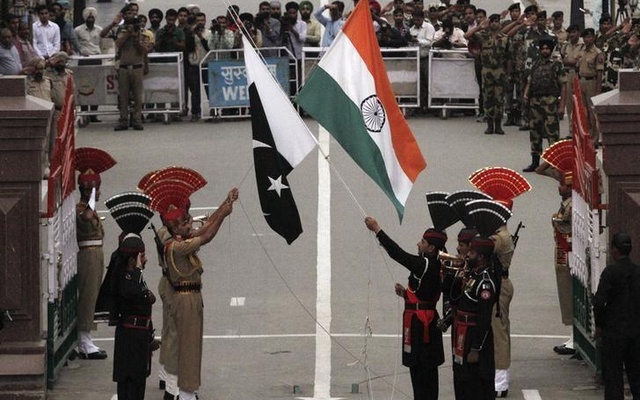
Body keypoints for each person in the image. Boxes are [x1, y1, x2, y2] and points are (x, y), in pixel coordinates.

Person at [154, 187, 238, 400]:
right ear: (174, 229)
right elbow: (207, 235)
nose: (189, 225)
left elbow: (201, 231)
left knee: (183, 343)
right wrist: (223, 214)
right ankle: (186, 392)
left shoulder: (178, 241)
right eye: (184, 224)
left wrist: (223, 206)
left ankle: (179, 389)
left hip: (187, 296)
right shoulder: (175, 247)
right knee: (189, 347)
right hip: (186, 298)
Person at [364, 217, 445, 400]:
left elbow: (397, 254)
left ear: (431, 248)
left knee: (423, 377)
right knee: (421, 375)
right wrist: (406, 295)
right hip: (422, 322)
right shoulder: (433, 264)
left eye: (423, 242)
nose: (418, 243)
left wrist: (377, 229)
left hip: (422, 328)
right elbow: (426, 294)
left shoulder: (425, 265)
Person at [75, 147, 117, 360]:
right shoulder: (81, 209)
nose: (99, 193)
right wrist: (91, 193)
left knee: (92, 297)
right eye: (96, 189)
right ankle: (84, 340)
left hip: (95, 255)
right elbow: (86, 218)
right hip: (88, 256)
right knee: (87, 297)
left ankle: (86, 337)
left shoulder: (86, 208)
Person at [593, 233, 640, 400]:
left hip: (614, 332)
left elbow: (599, 302)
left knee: (613, 376)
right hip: (635, 331)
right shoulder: (637, 272)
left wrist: (599, 324)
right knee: (636, 374)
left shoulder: (610, 272)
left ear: (614, 250)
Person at [452, 235, 499, 400]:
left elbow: (484, 319)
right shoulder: (472, 275)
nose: (467, 255)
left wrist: (475, 348)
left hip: (475, 338)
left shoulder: (485, 283)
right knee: (463, 381)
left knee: (477, 384)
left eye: (471, 253)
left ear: (480, 257)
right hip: (464, 335)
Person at [522, 35, 566, 172]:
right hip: (535, 102)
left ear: (551, 50)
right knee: (535, 132)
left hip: (550, 102)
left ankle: (555, 163)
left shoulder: (557, 64)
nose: (545, 51)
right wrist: (526, 95)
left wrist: (562, 106)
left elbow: (563, 85)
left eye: (547, 48)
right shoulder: (536, 64)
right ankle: (535, 161)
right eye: (543, 48)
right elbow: (530, 81)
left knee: (552, 133)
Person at [465, 14, 510, 135]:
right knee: (488, 97)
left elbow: (508, 58)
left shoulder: (505, 38)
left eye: (497, 21)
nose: (494, 24)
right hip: (487, 70)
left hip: (500, 70)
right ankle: (489, 125)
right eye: (492, 21)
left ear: (500, 23)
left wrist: (508, 73)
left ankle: (498, 125)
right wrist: (479, 27)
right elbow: (467, 35)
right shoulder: (483, 36)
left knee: (499, 98)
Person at [114, 16, 149, 131]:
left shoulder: (143, 35)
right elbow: (118, 44)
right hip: (124, 67)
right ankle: (123, 120)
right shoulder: (123, 33)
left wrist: (136, 38)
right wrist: (127, 34)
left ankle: (137, 120)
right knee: (123, 96)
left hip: (137, 68)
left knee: (138, 96)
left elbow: (144, 50)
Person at [576, 28, 604, 146]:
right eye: (585, 37)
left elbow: (600, 73)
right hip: (582, 80)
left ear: (593, 38)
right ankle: (585, 136)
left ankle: (594, 138)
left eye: (589, 37)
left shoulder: (597, 53)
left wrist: (598, 90)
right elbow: (578, 66)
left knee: (592, 112)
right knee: (583, 111)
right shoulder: (581, 50)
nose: (587, 39)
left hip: (591, 82)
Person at [185, 12, 210, 122]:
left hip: (206, 63)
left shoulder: (209, 33)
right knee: (195, 90)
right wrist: (192, 34)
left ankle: (214, 110)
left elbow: (209, 47)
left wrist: (200, 36)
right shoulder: (190, 33)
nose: (200, 23)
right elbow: (188, 48)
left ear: (205, 21)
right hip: (194, 64)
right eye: (198, 20)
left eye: (202, 20)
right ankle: (195, 112)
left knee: (210, 88)